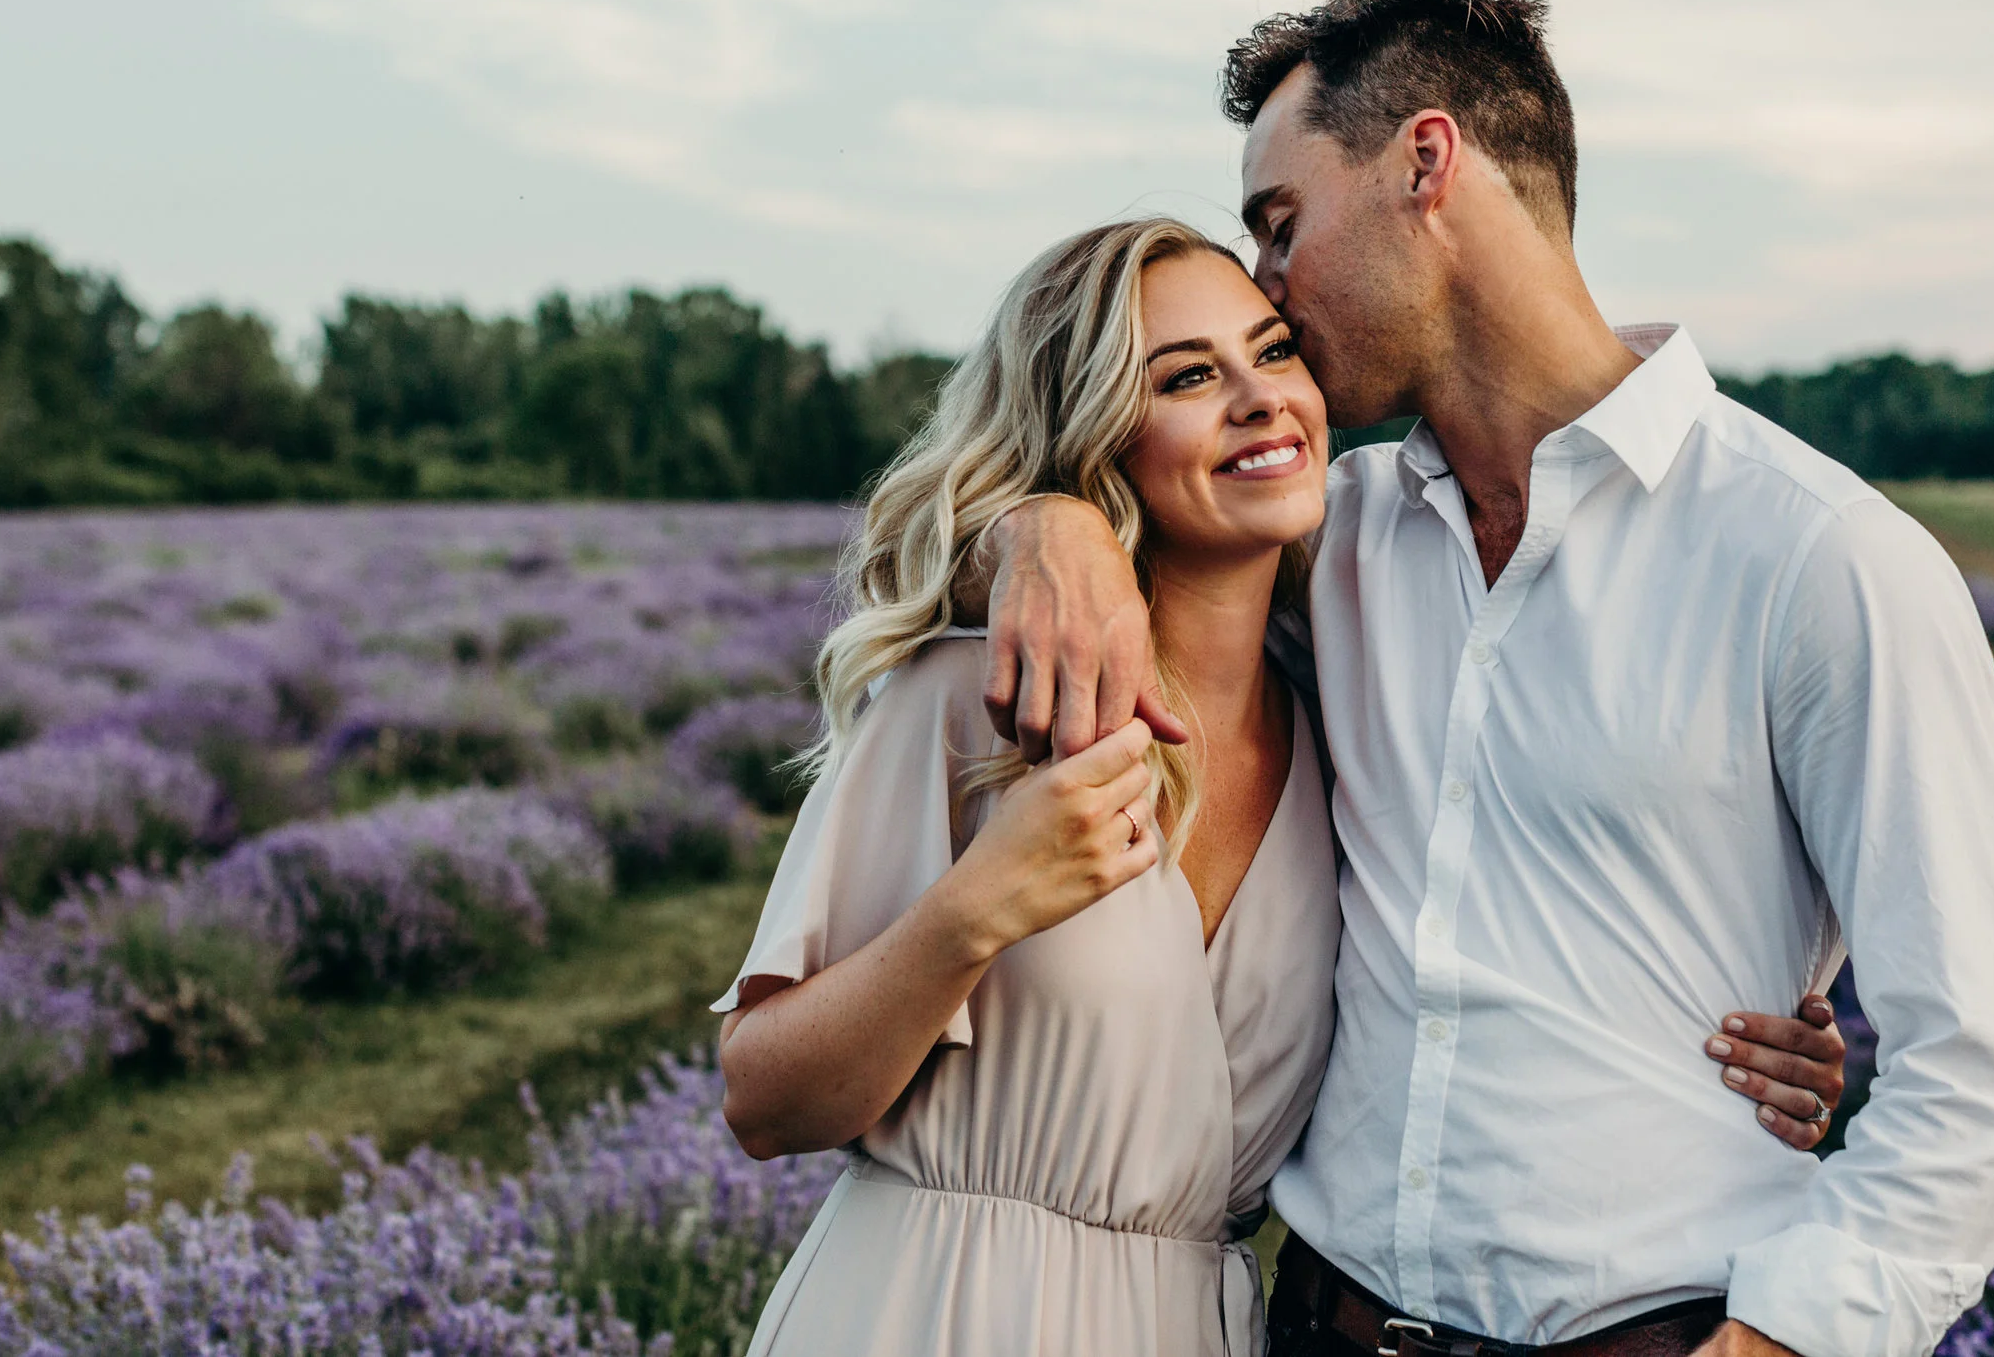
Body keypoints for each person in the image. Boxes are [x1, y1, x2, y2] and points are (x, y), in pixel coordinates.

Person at [979, 0, 1994, 1357]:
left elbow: (1983, 1070)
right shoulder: (1345, 536)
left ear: (1424, 163)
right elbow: (1110, 524)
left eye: (1281, 222)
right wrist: (1046, 520)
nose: (1266, 284)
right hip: (1321, 1324)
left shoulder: (1820, 558)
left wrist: (1788, 1339)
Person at [714, 217, 1846, 1356]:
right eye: (1189, 376)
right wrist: (973, 911)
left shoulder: (1347, 723)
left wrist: (1714, 1034)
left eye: (1274, 351)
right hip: (928, 1312)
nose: (1260, 398)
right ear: (1096, 434)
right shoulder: (977, 701)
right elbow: (764, 1099)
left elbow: (1476, 966)